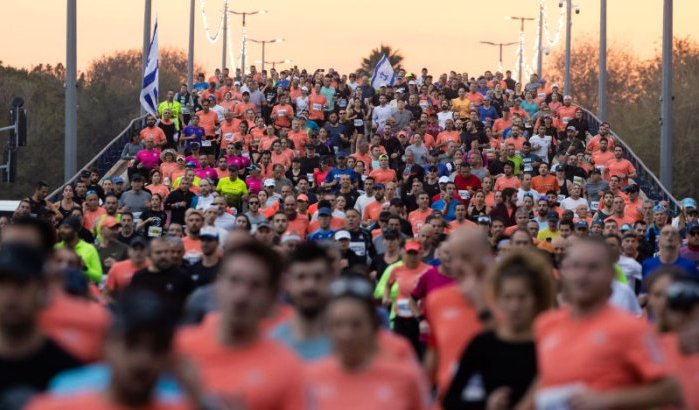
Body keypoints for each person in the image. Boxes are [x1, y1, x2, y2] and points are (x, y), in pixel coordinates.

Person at [533, 237, 681, 409]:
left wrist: (607, 400)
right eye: (575, 266)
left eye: (593, 267)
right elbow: (542, 382)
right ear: (562, 272)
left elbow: (671, 389)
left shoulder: (632, 329)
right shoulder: (545, 324)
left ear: (610, 274)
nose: (582, 275)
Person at [175, 241, 308, 409]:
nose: (241, 296)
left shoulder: (287, 369)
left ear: (272, 297)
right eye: (234, 280)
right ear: (217, 284)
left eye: (255, 285)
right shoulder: (177, 350)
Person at [27, 290, 197, 410]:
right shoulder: (57, 403)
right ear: (107, 345)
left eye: (157, 348)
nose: (143, 359)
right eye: (131, 344)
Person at [443, 250, 553, 410]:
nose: (515, 306)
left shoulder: (548, 344)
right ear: (498, 299)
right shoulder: (482, 344)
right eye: (508, 297)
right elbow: (450, 399)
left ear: (537, 299)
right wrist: (486, 404)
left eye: (522, 297)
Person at [306, 275, 430, 410]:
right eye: (338, 324)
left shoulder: (404, 378)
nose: (346, 334)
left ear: (373, 327)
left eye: (356, 324)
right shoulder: (308, 380)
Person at [0, 243, 82, 408]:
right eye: (2, 284)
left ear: (42, 289)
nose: (10, 296)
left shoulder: (69, 373)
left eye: (21, 284)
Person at [269, 242, 335, 360]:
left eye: (318, 276)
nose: (310, 285)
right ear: (287, 283)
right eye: (301, 277)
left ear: (331, 280)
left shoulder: (352, 344)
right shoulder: (272, 344)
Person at [54, 216, 103, 283]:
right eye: (61, 228)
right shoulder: (56, 248)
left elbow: (99, 277)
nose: (62, 231)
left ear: (76, 231)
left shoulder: (89, 249)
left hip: (80, 291)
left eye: (66, 228)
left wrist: (84, 268)